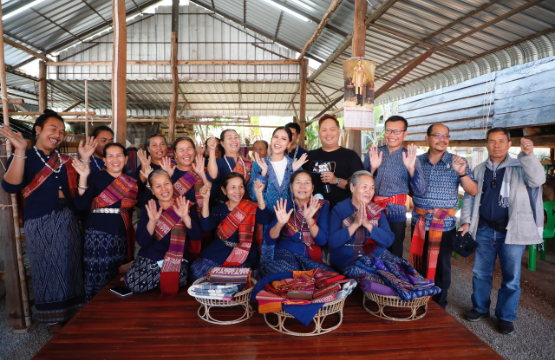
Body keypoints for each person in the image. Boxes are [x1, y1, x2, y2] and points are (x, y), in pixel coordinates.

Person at [1, 110, 96, 333]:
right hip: (41, 221)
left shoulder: (65, 160)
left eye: (61, 131)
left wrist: (84, 159)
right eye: (53, 129)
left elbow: (82, 189)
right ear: (38, 129)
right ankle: (54, 319)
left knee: (71, 266)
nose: (58, 134)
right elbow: (11, 186)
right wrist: (21, 150)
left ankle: (71, 312)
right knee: (47, 268)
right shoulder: (26, 155)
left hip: (69, 219)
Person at [460, 128, 545, 335]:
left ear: (509, 144)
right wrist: (466, 222)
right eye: (492, 141)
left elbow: (538, 180)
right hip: (485, 229)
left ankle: (506, 316)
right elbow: (470, 197)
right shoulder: (479, 169)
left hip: (512, 230)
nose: (496, 145)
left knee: (511, 277)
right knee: (480, 273)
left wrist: (528, 155)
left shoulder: (520, 166)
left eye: (501, 141)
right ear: (487, 144)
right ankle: (480, 308)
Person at [410, 123, 478, 309]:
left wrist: (462, 172)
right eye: (437, 135)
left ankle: (439, 305)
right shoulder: (416, 161)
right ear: (427, 138)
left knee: (442, 267)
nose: (442, 139)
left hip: (445, 225)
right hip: (420, 223)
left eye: (446, 136)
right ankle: (418, 300)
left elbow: (473, 190)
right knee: (418, 263)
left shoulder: (457, 161)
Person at [73, 143, 138, 302]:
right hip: (97, 234)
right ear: (104, 160)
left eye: (119, 155)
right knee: (98, 274)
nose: (115, 159)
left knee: (119, 274)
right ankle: (94, 311)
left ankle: (115, 311)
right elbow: (81, 205)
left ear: (125, 158)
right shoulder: (95, 177)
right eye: (110, 156)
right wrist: (82, 176)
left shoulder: (131, 182)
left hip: (122, 233)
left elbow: (144, 202)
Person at [124, 169, 201, 295]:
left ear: (172, 184)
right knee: (135, 284)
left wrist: (185, 217)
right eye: (158, 186)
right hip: (152, 257)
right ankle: (152, 275)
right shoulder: (149, 209)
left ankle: (139, 272)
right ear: (153, 191)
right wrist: (152, 221)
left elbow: (196, 236)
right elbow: (143, 242)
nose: (164, 189)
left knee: (179, 279)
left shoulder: (185, 205)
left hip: (177, 259)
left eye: (166, 184)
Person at [190, 173, 272, 280]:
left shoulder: (251, 207)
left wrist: (259, 194)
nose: (237, 191)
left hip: (244, 254)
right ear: (224, 190)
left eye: (241, 186)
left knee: (241, 279)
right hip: (219, 251)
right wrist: (205, 200)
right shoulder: (218, 209)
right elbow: (206, 227)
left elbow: (265, 219)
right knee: (198, 272)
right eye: (232, 187)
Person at [364, 115, 426, 258]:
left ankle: (394, 279)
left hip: (396, 214)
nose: (392, 135)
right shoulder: (374, 153)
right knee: (371, 251)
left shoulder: (410, 157)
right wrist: (372, 169)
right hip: (373, 211)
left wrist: (411, 169)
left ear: (405, 133)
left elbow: (420, 190)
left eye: (397, 131)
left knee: (394, 253)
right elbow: (360, 185)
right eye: (389, 131)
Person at [248, 127, 308, 262]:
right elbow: (253, 195)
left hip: (290, 219)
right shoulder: (259, 164)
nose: (278, 141)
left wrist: (292, 171)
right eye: (276, 137)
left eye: (283, 138)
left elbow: (299, 194)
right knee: (266, 259)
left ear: (289, 144)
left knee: (287, 259)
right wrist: (263, 173)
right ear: (271, 139)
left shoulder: (295, 164)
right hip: (266, 218)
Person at [259, 170, 333, 276]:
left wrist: (309, 219)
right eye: (298, 182)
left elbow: (322, 241)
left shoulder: (321, 206)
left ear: (312, 188)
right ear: (291, 187)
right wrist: (280, 223)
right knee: (291, 270)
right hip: (285, 252)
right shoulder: (284, 204)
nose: (302, 186)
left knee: (330, 275)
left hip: (310, 254)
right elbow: (269, 240)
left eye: (307, 183)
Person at [328, 170, 394, 273]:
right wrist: (355, 224)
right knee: (375, 280)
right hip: (347, 261)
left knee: (403, 274)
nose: (369, 191)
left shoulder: (376, 211)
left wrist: (368, 225)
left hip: (375, 258)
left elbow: (388, 240)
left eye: (372, 187)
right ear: (352, 187)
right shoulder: (339, 209)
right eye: (364, 186)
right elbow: (332, 242)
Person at [304, 114, 364, 208]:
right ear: (319, 133)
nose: (328, 133)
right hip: (315, 211)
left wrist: (336, 180)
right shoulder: (309, 156)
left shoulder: (351, 156)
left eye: (332, 129)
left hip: (344, 211)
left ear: (339, 132)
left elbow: (359, 186)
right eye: (324, 130)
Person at [206, 129, 253, 195]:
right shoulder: (219, 163)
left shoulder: (248, 163)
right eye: (229, 138)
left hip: (248, 203)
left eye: (236, 137)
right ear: (222, 143)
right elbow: (212, 176)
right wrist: (211, 150)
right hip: (227, 203)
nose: (234, 140)